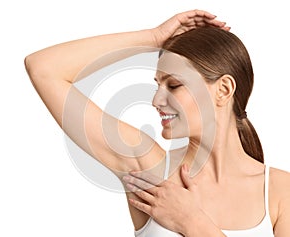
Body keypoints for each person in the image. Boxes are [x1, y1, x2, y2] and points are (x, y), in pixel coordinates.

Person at [24, 9, 290, 237]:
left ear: (223, 90)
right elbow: (44, 69)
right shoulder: (148, 169)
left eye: (174, 85)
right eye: (157, 85)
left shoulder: (280, 192)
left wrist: (193, 222)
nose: (156, 100)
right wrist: (152, 38)